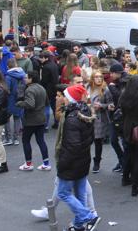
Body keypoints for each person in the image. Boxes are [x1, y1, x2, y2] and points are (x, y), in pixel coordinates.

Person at [55, 84, 101, 231]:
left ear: (71, 99)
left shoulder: (72, 119)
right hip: (83, 160)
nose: (63, 99)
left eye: (65, 96)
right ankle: (78, 225)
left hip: (72, 163)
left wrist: (62, 164)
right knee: (80, 193)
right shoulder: (85, 113)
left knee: (63, 192)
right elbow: (88, 139)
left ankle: (88, 216)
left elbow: (71, 146)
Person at [15, 71, 51, 171]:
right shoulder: (42, 88)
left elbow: (30, 104)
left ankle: (28, 164)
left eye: (26, 77)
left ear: (31, 79)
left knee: (26, 140)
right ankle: (46, 163)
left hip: (31, 120)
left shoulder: (29, 90)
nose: (24, 79)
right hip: (41, 119)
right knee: (41, 141)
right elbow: (47, 102)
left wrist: (20, 103)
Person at [119, 74, 138, 196]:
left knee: (128, 153)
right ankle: (135, 185)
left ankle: (125, 178)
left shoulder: (124, 94)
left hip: (126, 127)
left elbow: (121, 110)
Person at [88, 71, 114, 173]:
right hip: (88, 116)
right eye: (96, 77)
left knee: (98, 141)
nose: (99, 79)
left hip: (99, 119)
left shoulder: (105, 89)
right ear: (92, 78)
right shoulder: (88, 88)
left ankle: (97, 162)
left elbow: (111, 104)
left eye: (100, 77)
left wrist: (102, 106)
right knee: (86, 141)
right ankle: (84, 161)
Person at [39, 51, 60, 128]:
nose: (40, 59)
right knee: (54, 107)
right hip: (55, 88)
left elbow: (44, 80)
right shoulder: (54, 65)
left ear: (46, 58)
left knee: (47, 107)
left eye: (41, 58)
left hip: (48, 90)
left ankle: (45, 125)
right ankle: (56, 122)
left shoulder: (46, 67)